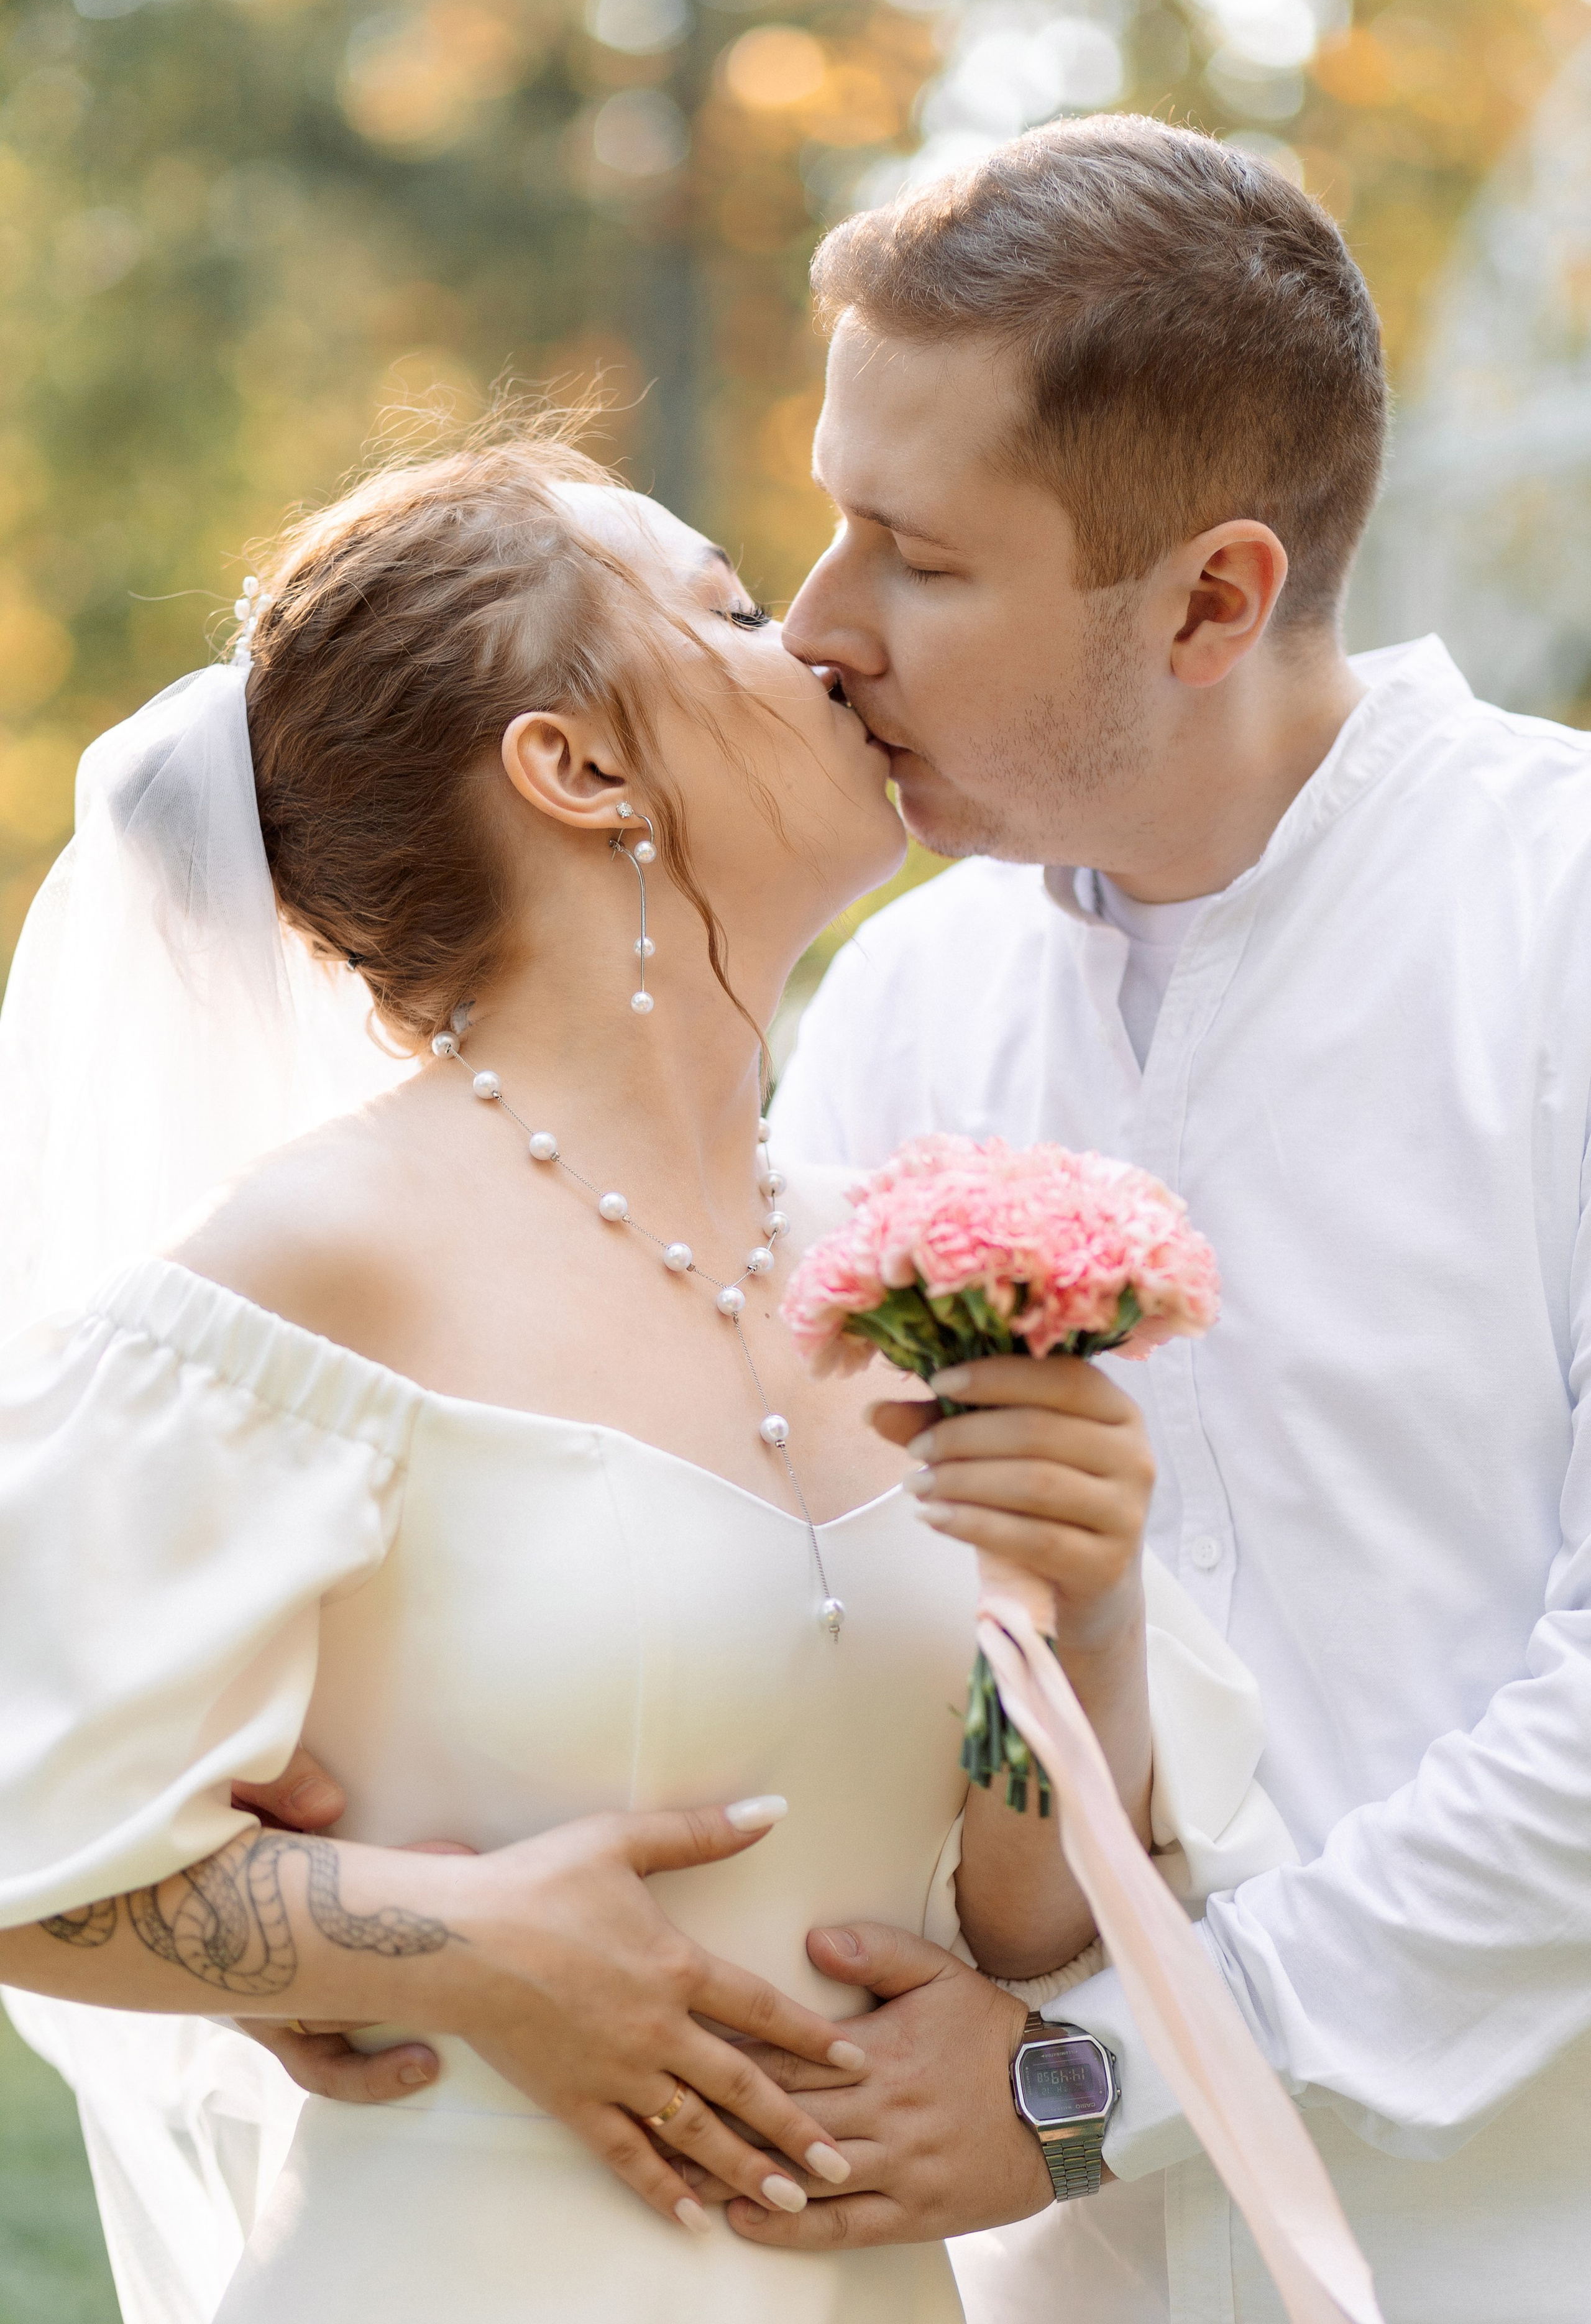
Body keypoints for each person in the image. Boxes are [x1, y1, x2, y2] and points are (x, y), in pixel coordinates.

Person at [0, 424, 1288, 2323]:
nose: (831, 646)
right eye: (740, 609)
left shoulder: (904, 1275)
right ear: (579, 765)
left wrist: (1075, 1609)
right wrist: (457, 1939)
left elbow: (1029, 1931)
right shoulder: (323, 1259)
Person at [746, 114, 1591, 2322]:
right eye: (833, 523)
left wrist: (1100, 2073)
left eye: (917, 560)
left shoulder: (1566, 922)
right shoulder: (902, 1000)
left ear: (1214, 597)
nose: (820, 627)